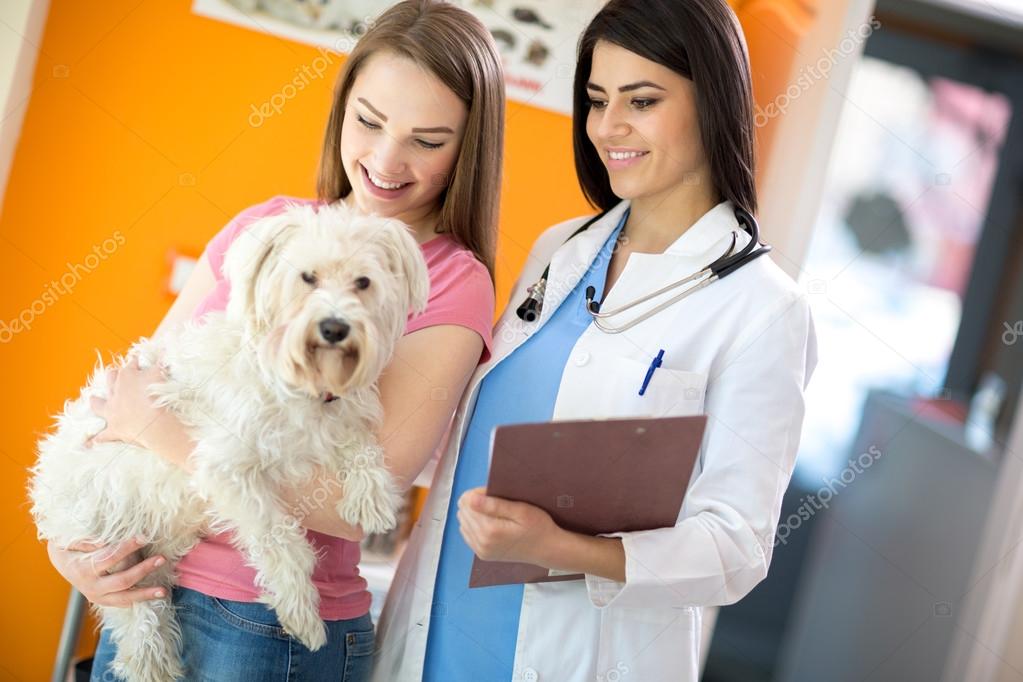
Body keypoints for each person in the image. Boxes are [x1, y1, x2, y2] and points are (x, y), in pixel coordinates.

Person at [44, 2, 504, 679]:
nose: (384, 160)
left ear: (468, 146)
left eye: (426, 140)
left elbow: (356, 509)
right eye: (368, 122)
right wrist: (73, 552)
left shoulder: (449, 281)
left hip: (264, 628)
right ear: (340, 106)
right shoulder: (260, 229)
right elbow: (125, 400)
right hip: (143, 586)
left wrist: (162, 434)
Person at [371, 1, 818, 680]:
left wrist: (561, 547)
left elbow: (735, 548)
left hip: (581, 654)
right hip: (436, 632)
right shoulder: (561, 249)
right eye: (596, 99)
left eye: (642, 100)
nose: (610, 127)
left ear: (712, 103)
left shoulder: (762, 309)